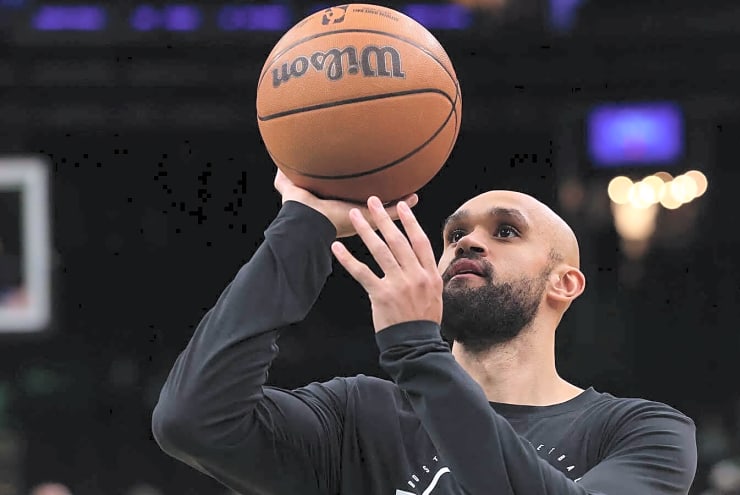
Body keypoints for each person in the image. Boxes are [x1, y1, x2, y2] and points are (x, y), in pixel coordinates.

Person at [152, 169, 698, 495]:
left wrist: (416, 351)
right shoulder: (357, 418)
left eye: (505, 231)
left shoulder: (642, 431)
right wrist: (301, 229)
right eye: (454, 234)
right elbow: (194, 421)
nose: (467, 242)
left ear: (565, 283)